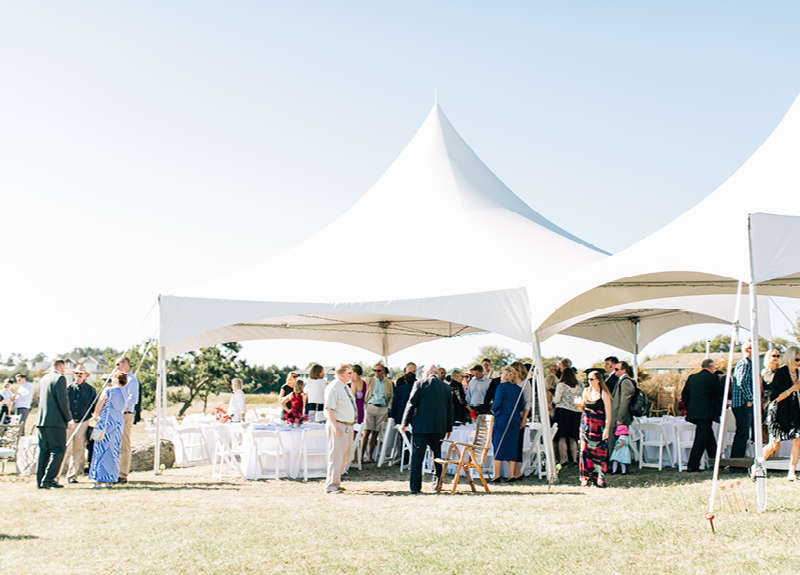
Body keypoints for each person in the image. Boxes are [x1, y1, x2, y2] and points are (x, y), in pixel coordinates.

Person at [400, 364, 453, 494]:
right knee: (436, 457)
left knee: (417, 457)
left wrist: (404, 422)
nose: (422, 374)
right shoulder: (446, 387)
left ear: (428, 372)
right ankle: (436, 485)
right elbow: (450, 408)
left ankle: (415, 487)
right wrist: (449, 427)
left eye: (422, 372)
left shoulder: (419, 384)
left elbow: (411, 403)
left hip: (421, 427)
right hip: (438, 427)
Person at [761, 346, 800, 481]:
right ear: (790, 358)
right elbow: (775, 398)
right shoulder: (780, 374)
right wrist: (793, 388)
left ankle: (792, 472)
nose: (799, 362)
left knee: (797, 440)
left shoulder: (799, 373)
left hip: (794, 411)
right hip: (778, 411)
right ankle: (757, 464)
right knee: (775, 444)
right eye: (797, 359)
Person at [36, 359, 74, 489]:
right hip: (55, 421)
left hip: (41, 420)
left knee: (44, 451)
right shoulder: (60, 379)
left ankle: (40, 480)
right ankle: (49, 479)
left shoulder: (43, 379)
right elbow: (62, 400)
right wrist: (69, 418)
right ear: (61, 366)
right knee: (59, 450)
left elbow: (39, 399)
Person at [680, 359, 723, 472]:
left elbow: (684, 394)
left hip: (694, 412)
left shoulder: (692, 378)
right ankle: (692, 465)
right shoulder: (712, 377)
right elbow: (721, 392)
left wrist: (690, 408)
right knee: (700, 438)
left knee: (708, 437)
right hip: (706, 412)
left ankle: (716, 463)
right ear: (711, 367)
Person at [89, 371, 128, 488]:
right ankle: (110, 480)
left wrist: (96, 415)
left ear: (116, 379)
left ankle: (99, 480)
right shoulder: (125, 393)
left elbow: (99, 405)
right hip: (118, 422)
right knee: (114, 451)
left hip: (106, 422)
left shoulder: (108, 390)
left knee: (101, 450)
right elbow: (124, 407)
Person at [323, 364, 356, 494]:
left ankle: (336, 482)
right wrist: (335, 426)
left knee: (345, 455)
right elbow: (328, 409)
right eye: (349, 373)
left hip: (347, 425)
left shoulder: (344, 387)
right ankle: (331, 486)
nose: (351, 375)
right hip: (339, 425)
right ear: (341, 374)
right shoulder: (333, 387)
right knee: (336, 456)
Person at [577, 370, 612, 487]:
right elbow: (583, 409)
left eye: (591, 379)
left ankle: (599, 477)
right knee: (584, 451)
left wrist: (607, 429)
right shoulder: (586, 391)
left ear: (598, 380)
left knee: (599, 452)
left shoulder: (604, 393)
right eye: (588, 379)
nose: (589, 382)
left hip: (598, 426)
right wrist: (579, 406)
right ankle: (585, 476)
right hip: (586, 425)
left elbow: (608, 413)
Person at [65, 365, 98, 483]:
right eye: (76, 373)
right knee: (63, 448)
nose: (78, 375)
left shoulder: (90, 390)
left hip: (82, 422)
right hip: (68, 422)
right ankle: (56, 474)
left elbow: (94, 407)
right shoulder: (67, 388)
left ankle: (72, 475)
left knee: (78, 449)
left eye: (81, 373)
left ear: (85, 375)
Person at [490, 366, 523, 483]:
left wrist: (492, 409)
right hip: (515, 418)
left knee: (498, 444)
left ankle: (497, 475)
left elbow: (498, 402)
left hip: (503, 417)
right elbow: (522, 405)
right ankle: (511, 475)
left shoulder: (501, 387)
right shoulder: (518, 389)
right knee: (512, 446)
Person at [361, 363, 395, 464]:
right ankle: (360, 457)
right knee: (366, 432)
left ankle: (370, 457)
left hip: (382, 408)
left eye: (378, 370)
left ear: (383, 371)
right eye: (375, 370)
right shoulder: (368, 380)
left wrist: (388, 407)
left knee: (375, 433)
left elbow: (391, 396)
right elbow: (362, 393)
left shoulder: (388, 382)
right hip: (370, 406)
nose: (376, 372)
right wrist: (364, 406)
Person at [552, 362, 583, 466]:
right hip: (575, 413)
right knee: (573, 437)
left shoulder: (561, 385)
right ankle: (574, 459)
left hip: (563, 412)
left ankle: (562, 460)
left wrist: (552, 399)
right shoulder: (578, 387)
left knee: (562, 437)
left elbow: (557, 400)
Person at [115, 356, 139, 485]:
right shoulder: (117, 379)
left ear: (125, 363)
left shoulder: (131, 380)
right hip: (116, 414)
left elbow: (133, 399)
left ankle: (122, 474)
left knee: (124, 444)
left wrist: (120, 405)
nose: (116, 366)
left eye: (117, 364)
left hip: (125, 414)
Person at [731, 342, 754, 459]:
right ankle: (737, 461)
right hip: (743, 403)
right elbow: (741, 381)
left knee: (744, 433)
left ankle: (738, 459)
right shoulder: (745, 363)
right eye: (752, 348)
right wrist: (750, 398)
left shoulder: (749, 363)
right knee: (743, 433)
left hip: (743, 403)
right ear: (746, 350)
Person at [609, 361, 636, 448]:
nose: (615, 372)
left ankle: (613, 461)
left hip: (619, 417)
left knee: (616, 442)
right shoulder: (621, 380)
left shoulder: (625, 382)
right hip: (616, 416)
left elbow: (624, 402)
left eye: (617, 369)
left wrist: (620, 419)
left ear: (624, 370)